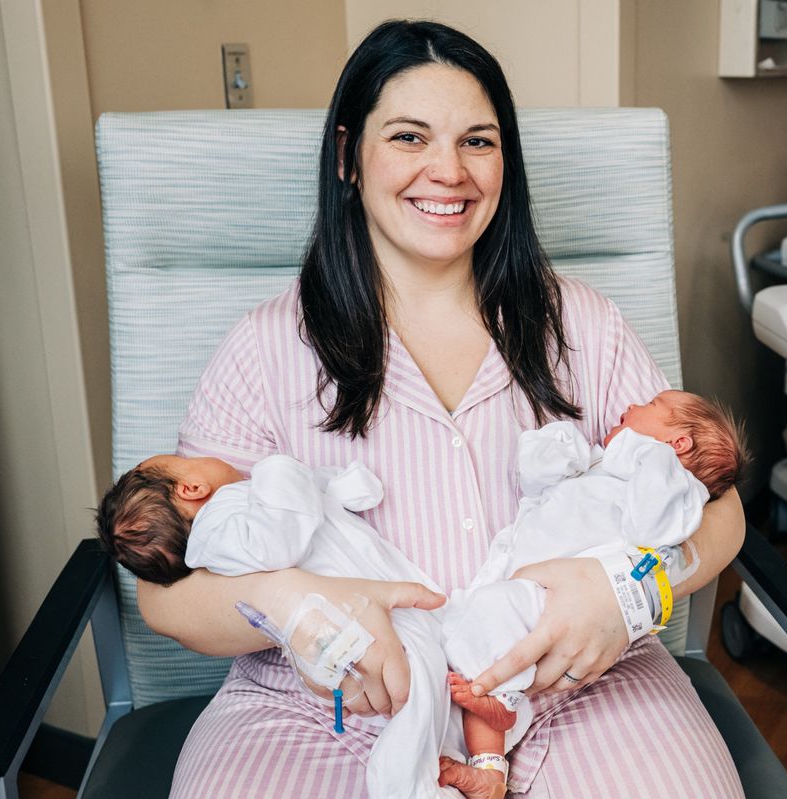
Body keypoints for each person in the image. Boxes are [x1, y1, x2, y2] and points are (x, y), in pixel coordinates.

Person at [138, 19, 747, 798]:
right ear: (347, 157)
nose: (448, 171)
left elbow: (719, 512)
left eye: (478, 141)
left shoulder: (584, 325)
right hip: (325, 710)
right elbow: (164, 588)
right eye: (409, 137)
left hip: (579, 690)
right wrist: (291, 604)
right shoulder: (263, 349)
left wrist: (635, 593)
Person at [442, 390, 747, 797]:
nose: (632, 405)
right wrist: (561, 453)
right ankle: (486, 768)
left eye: (651, 405)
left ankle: (494, 741)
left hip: (560, 599)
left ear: (678, 444)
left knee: (488, 638)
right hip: (515, 581)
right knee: (466, 645)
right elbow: (538, 487)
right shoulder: (606, 468)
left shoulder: (670, 487)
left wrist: (646, 456)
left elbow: (655, 529)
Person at [96, 456, 456, 798]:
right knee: (418, 706)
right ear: (192, 488)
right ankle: (414, 787)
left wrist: (343, 485)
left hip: (393, 606)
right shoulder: (218, 528)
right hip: (368, 630)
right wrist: (277, 466)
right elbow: (282, 539)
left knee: (433, 702)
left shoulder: (238, 510)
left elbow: (316, 501)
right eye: (189, 462)